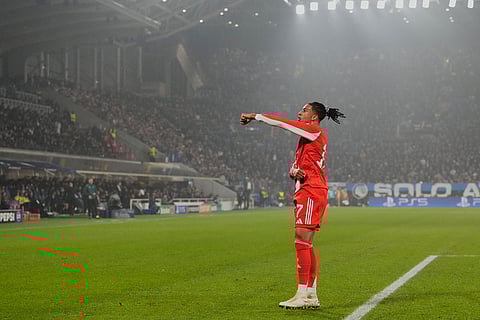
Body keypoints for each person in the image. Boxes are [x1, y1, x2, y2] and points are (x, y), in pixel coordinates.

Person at [240, 102, 345, 309]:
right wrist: (293, 171)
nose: (299, 112)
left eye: (304, 110)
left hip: (312, 191)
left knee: (301, 239)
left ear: (314, 116)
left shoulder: (313, 129)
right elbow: (304, 165)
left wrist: (256, 115)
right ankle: (310, 294)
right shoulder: (308, 136)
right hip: (309, 189)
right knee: (306, 242)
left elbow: (283, 123)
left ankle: (301, 294)